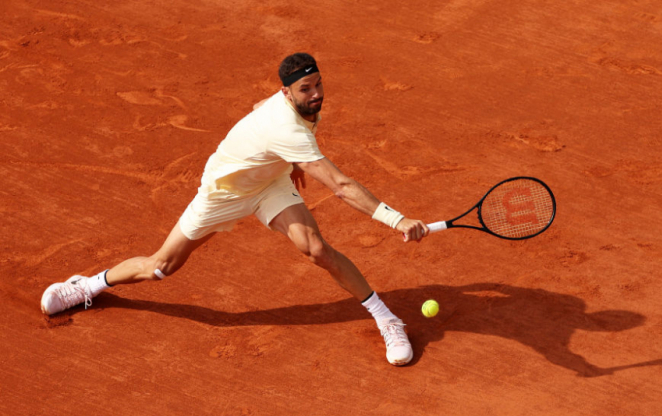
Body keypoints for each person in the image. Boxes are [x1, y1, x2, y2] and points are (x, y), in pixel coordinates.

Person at [40, 52, 429, 366]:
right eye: (305, 89)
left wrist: (287, 165)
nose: (315, 94)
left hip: (268, 185)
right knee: (160, 267)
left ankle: (388, 320)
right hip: (223, 194)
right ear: (287, 92)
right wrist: (397, 219)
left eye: (318, 84)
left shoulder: (292, 105)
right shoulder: (287, 128)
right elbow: (341, 187)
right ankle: (87, 285)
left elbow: (261, 104)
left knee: (316, 249)